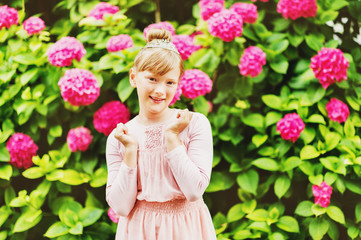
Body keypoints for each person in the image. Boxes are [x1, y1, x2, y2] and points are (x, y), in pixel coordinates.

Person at [105, 28, 216, 240]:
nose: (160, 91)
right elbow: (120, 207)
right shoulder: (120, 137)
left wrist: (173, 139)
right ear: (133, 77)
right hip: (138, 231)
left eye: (170, 82)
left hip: (187, 227)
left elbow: (194, 192)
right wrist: (130, 151)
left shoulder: (194, 124)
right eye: (152, 79)